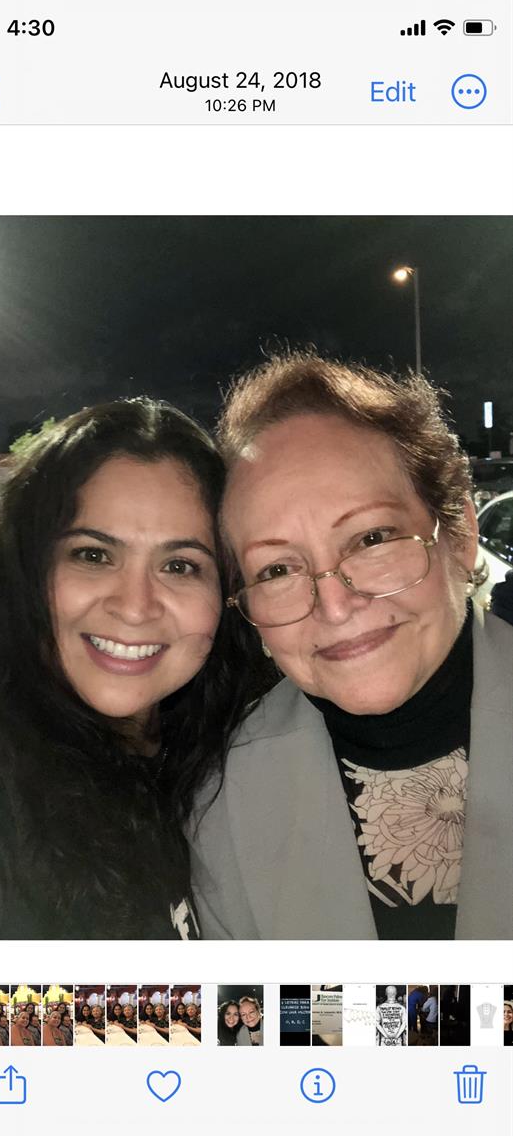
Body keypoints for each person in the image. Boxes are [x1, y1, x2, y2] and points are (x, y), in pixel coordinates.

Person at [190, 352, 513, 940]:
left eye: (371, 538)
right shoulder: (222, 803)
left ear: (460, 537)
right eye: (277, 570)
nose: (334, 606)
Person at [0, 397, 258, 940]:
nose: (134, 606)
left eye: (180, 565)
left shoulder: (234, 747)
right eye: (93, 554)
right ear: (29, 568)